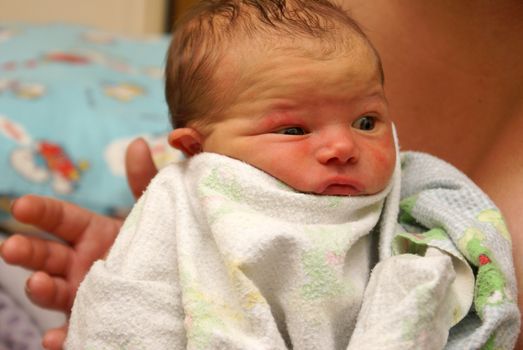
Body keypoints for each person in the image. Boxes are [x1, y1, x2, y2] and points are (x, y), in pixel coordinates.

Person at [1, 0, 522, 348]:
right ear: (197, 149)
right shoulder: (187, 198)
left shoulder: (412, 195)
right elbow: (133, 304)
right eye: (294, 130)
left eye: (367, 121)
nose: (343, 146)